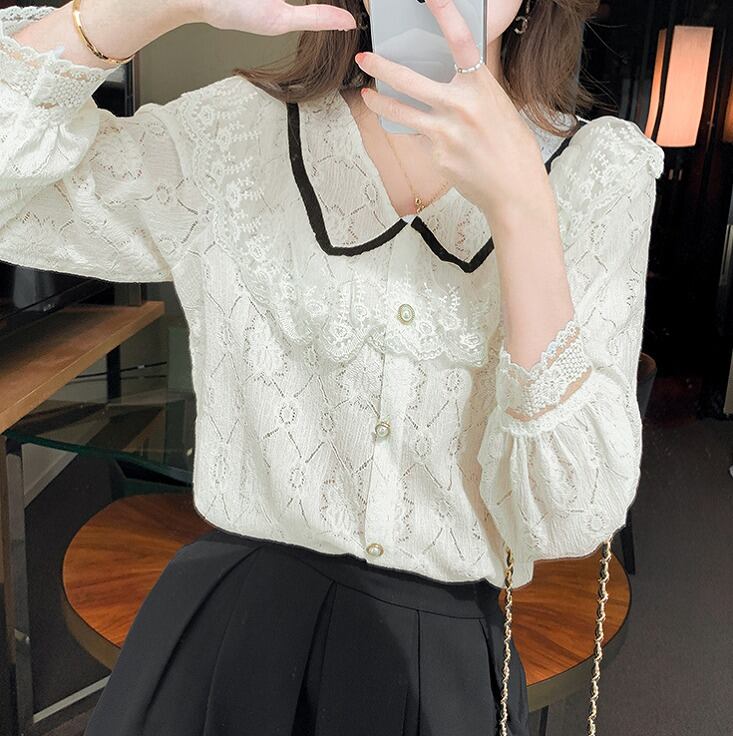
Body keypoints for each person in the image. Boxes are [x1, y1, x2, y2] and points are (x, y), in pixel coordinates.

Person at [0, 1, 664, 734]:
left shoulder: (600, 174)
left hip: (435, 665)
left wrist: (522, 210)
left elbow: (573, 514)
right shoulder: (235, 136)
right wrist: (155, 6)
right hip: (228, 635)